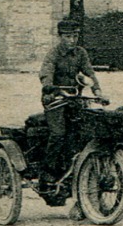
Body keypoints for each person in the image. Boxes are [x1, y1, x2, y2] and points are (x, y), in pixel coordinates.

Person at [39, 17, 102, 184]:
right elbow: (46, 72)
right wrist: (49, 87)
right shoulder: (53, 53)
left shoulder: (80, 53)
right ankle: (48, 170)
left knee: (84, 132)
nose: (72, 40)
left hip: (75, 99)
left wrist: (98, 91)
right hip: (55, 99)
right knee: (58, 134)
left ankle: (79, 168)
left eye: (75, 36)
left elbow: (90, 73)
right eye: (68, 36)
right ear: (60, 37)